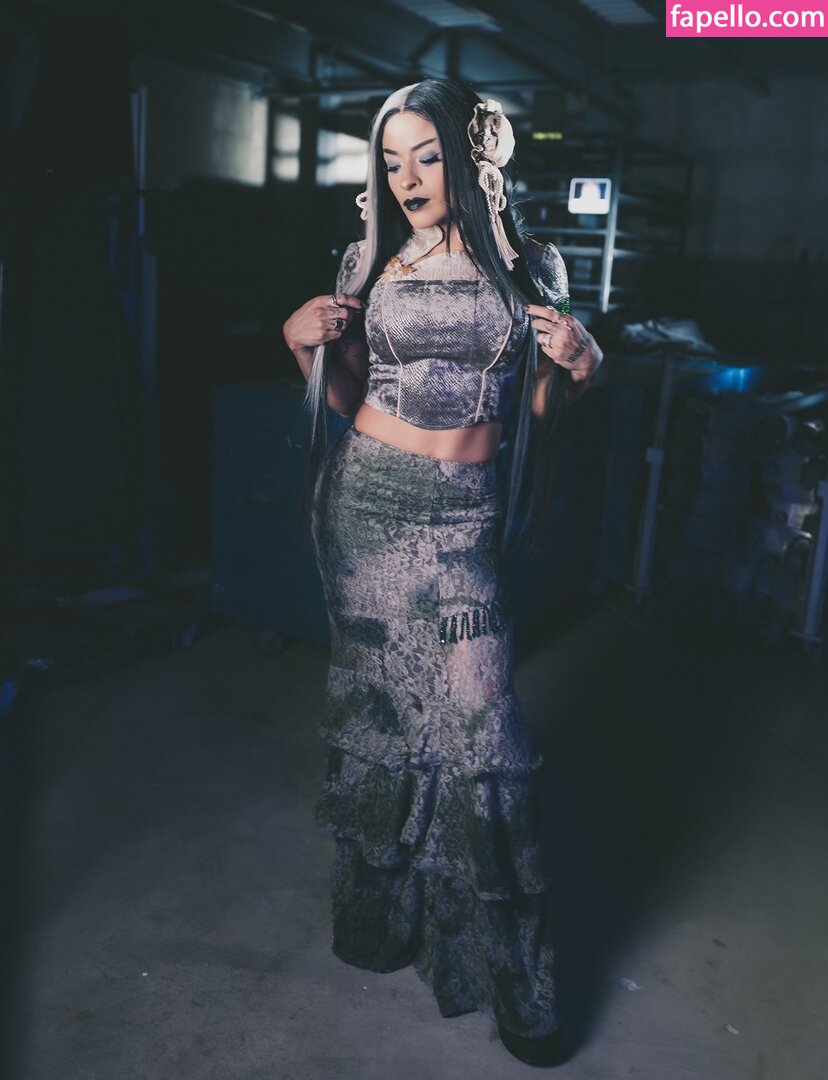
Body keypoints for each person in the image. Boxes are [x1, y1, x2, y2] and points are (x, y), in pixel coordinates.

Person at [282, 76, 603, 1068]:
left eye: (427, 155)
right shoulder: (366, 260)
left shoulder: (533, 266)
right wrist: (300, 344)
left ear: (470, 157)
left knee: (484, 740)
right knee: (381, 716)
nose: (408, 177)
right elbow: (349, 396)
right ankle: (378, 925)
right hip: (366, 508)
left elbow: (534, 419)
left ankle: (518, 989)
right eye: (392, 160)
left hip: (465, 522)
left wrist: (578, 366)